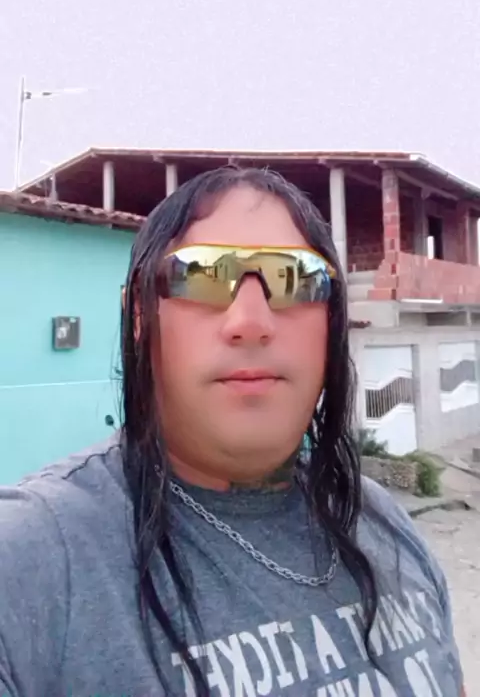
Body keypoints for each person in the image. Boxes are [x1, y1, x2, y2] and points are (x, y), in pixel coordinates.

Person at [0, 166, 465, 697]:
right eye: (201, 274)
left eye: (294, 278)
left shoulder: (386, 525)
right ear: (139, 317)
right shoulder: (32, 562)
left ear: (332, 321)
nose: (251, 321)